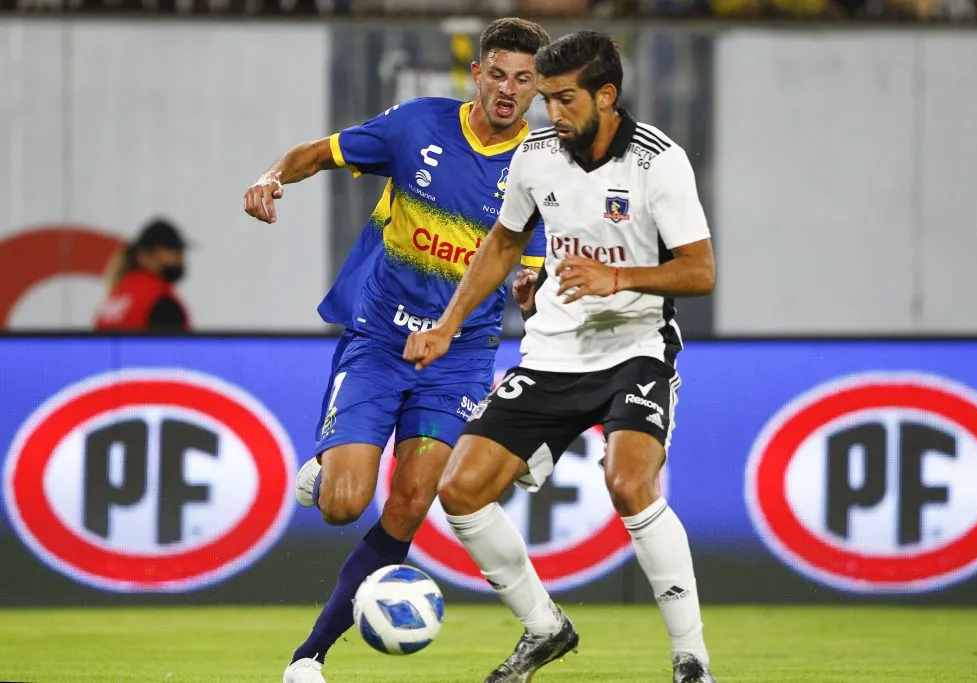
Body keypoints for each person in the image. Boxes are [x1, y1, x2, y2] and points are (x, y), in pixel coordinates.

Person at [242, 17, 550, 683]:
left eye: (524, 79)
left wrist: (532, 287)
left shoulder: (543, 167)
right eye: (498, 73)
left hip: (460, 354)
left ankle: (309, 656)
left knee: (412, 499)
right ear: (477, 73)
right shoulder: (417, 126)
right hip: (382, 336)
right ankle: (327, 474)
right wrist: (272, 176)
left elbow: (530, 265)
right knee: (343, 506)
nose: (508, 89)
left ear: (537, 88)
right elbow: (321, 152)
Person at [404, 30, 718, 683]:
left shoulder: (660, 162)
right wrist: (445, 325)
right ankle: (544, 627)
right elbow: (502, 244)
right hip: (552, 350)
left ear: (607, 95)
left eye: (564, 99)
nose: (550, 113)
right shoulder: (538, 155)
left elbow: (700, 270)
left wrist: (620, 278)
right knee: (460, 490)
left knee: (630, 481)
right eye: (546, 98)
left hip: (635, 345)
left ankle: (692, 659)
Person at [94, 217, 190, 332]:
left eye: (181, 251)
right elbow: (170, 348)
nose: (180, 258)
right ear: (144, 256)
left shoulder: (117, 295)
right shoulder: (160, 301)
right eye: (173, 251)